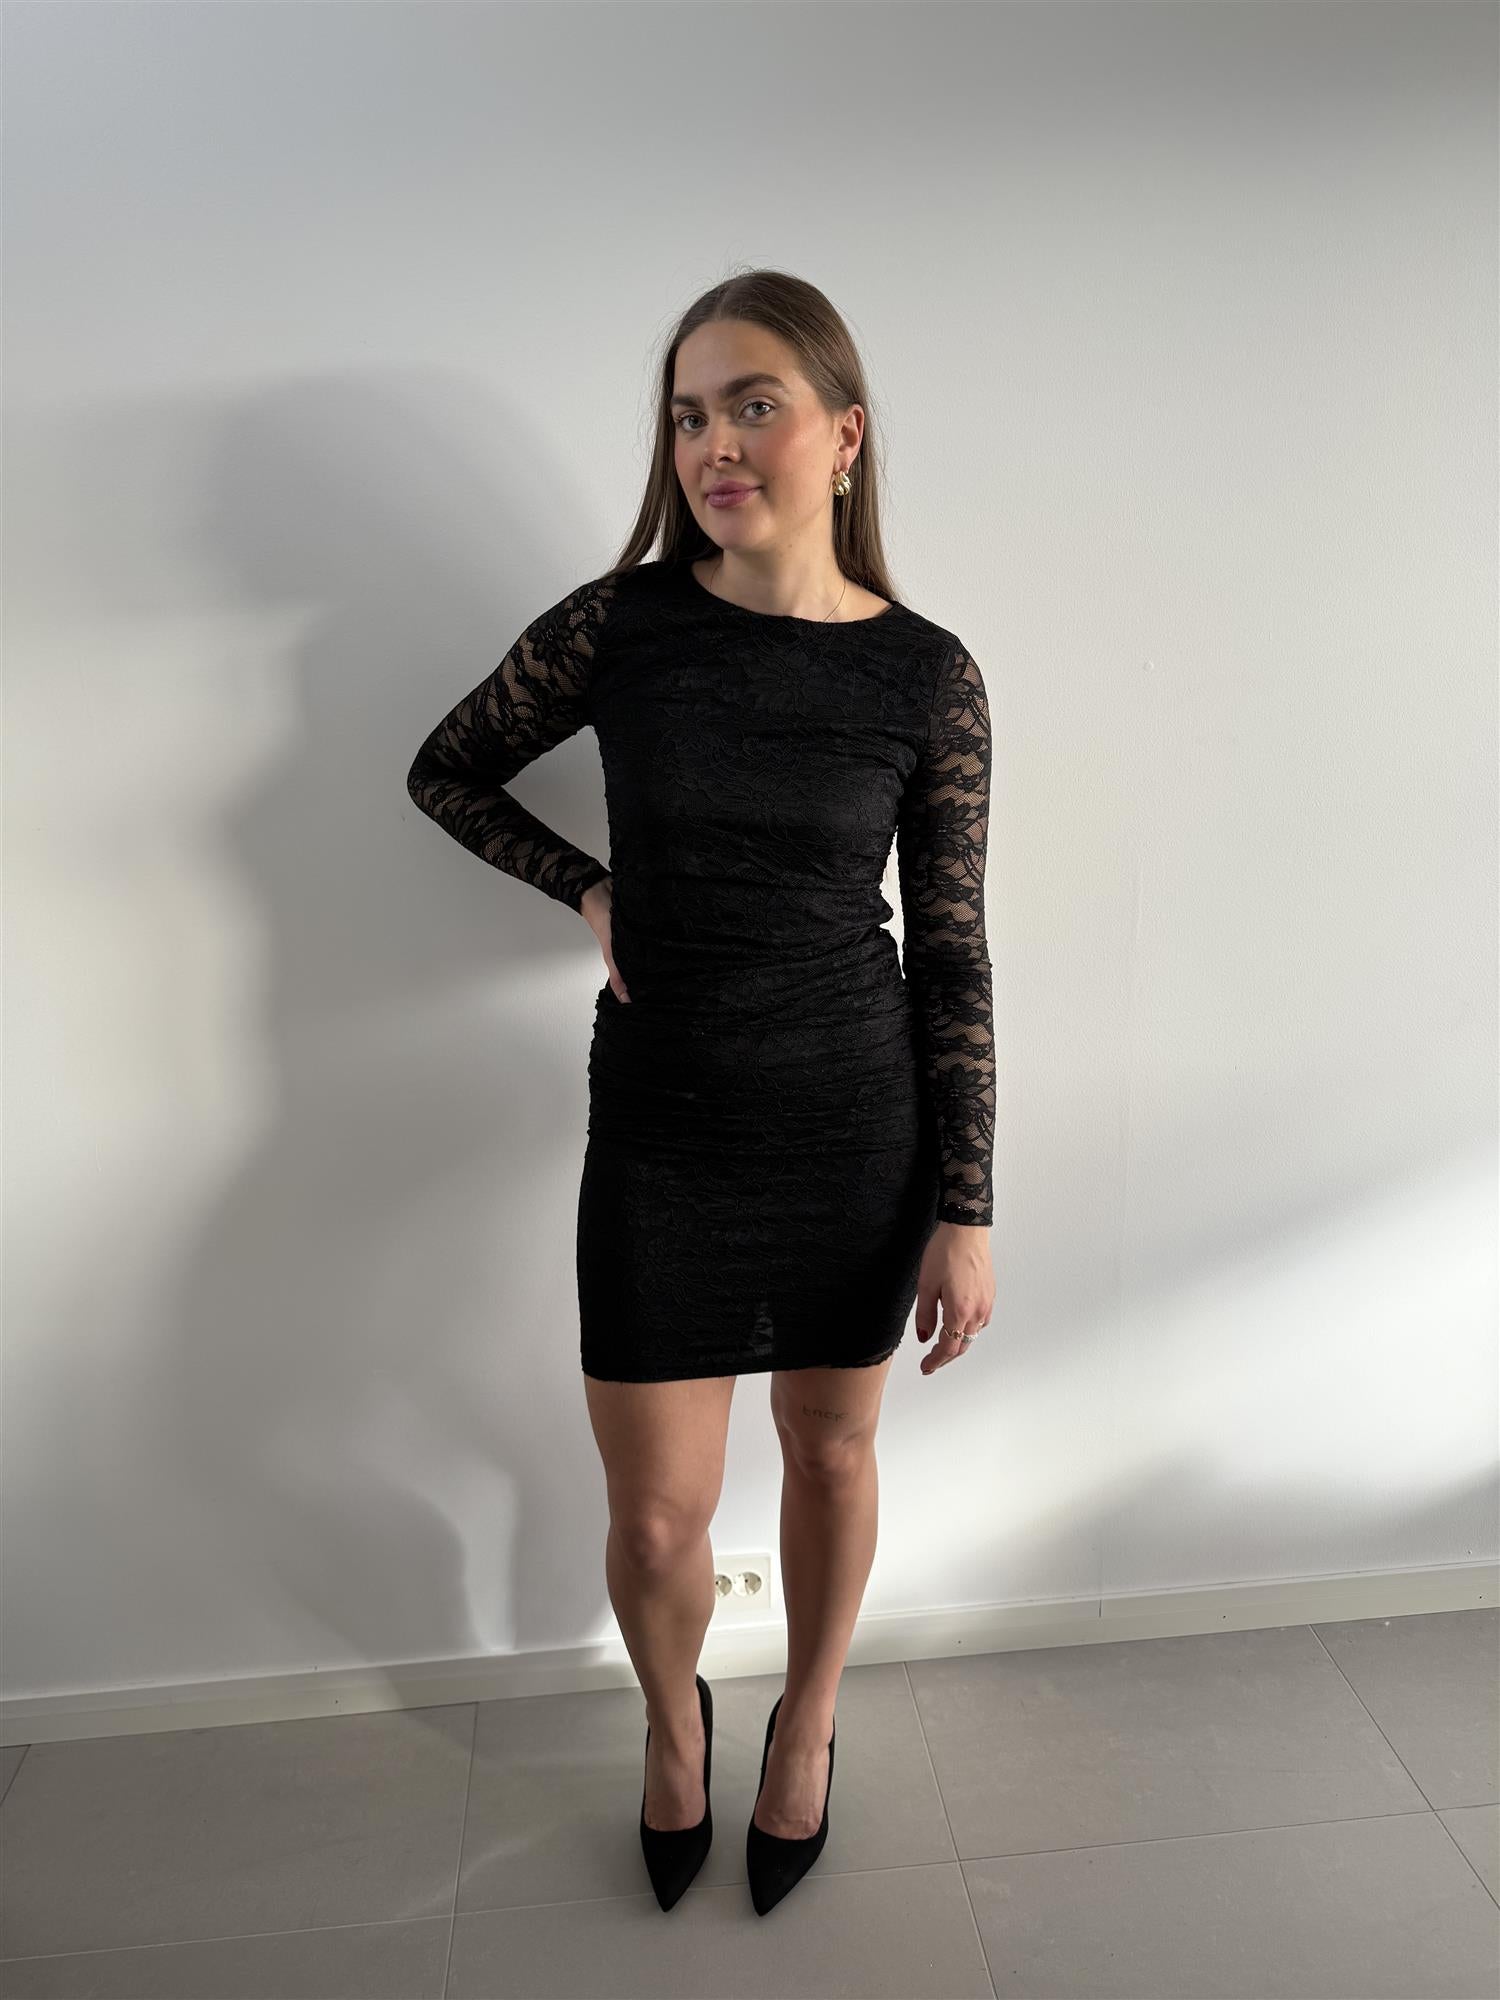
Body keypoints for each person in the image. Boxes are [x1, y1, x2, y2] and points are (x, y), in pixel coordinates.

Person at [406, 269, 996, 1916]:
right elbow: (446, 768)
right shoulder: (622, 629)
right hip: (663, 1130)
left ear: (844, 435)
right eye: (687, 415)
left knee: (830, 1454)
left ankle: (807, 1724)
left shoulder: (928, 676)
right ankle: (677, 1726)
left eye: (753, 406)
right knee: (661, 1525)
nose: (713, 445)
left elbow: (952, 950)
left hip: (855, 1127)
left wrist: (965, 1207)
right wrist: (589, 888)